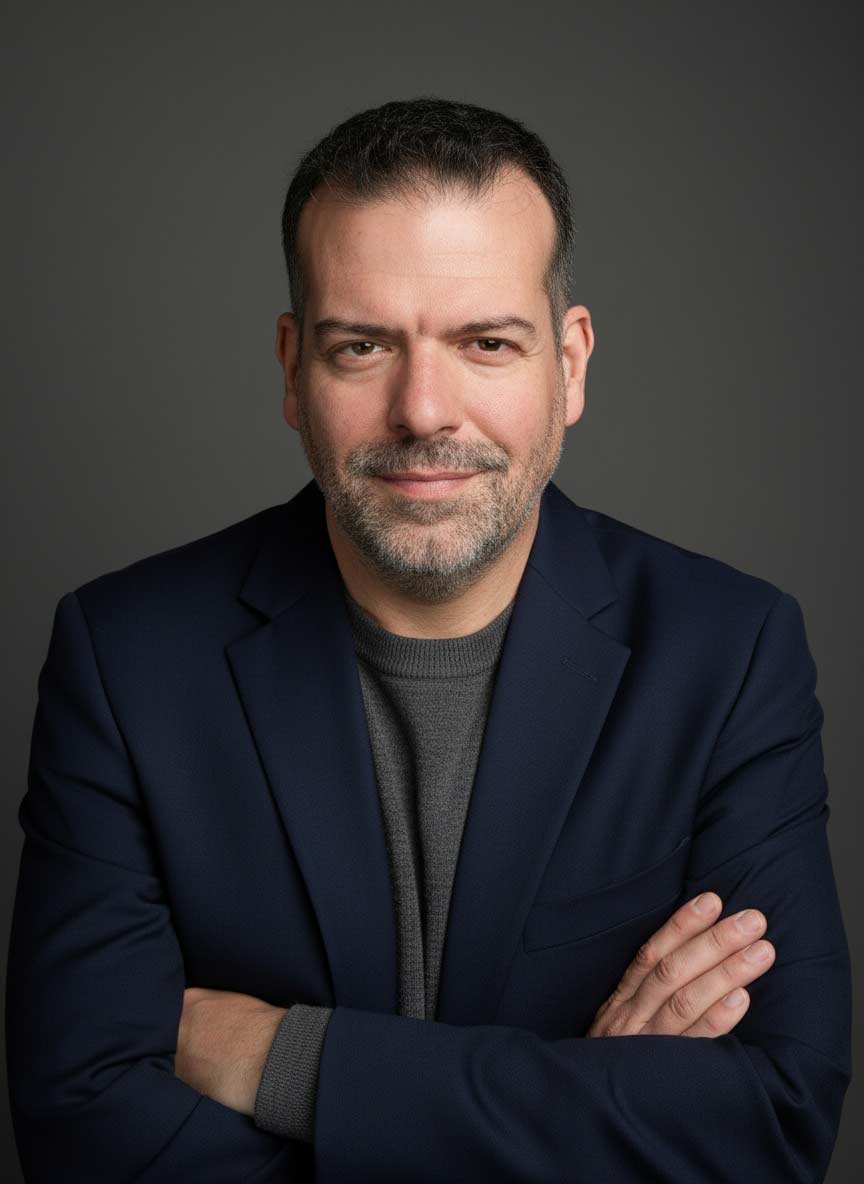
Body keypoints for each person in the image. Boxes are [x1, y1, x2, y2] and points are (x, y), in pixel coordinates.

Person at [6, 96, 851, 1182]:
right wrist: (581, 1103)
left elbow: (772, 1125)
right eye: (362, 346)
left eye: (486, 341)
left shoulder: (731, 654)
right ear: (290, 368)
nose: (423, 409)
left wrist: (287, 1057)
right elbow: (84, 1129)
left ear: (572, 362)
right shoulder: (124, 658)